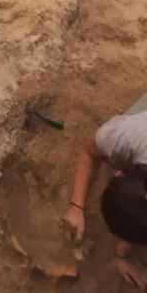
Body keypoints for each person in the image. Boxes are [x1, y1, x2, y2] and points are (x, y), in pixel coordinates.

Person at [63, 93, 147, 289]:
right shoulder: (129, 135)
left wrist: (121, 254)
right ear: (120, 175)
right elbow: (89, 152)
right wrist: (76, 207)